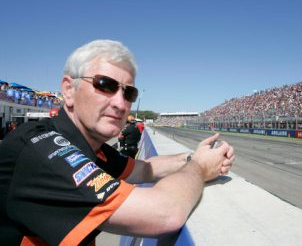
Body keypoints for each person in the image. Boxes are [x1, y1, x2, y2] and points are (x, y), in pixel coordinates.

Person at [0, 39, 235, 245]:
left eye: (128, 93)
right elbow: (164, 212)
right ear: (69, 90)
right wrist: (200, 168)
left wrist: (195, 156)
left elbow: (145, 169)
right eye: (105, 85)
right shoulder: (42, 149)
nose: (120, 104)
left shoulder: (90, 147)